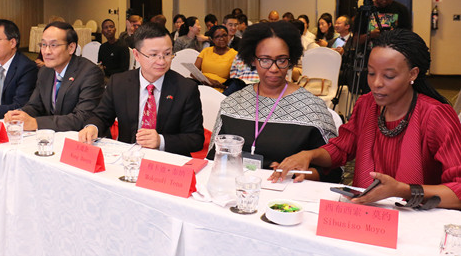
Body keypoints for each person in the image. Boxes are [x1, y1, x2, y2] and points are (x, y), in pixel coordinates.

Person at [272, 29, 461, 209]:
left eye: (389, 76)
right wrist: (309, 155)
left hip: (416, 218)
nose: (376, 83)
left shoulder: (436, 115)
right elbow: (342, 148)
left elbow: (458, 189)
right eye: (371, 73)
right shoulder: (367, 104)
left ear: (413, 74)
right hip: (367, 213)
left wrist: (403, 190)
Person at [208, 21, 340, 182]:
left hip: (288, 193)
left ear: (291, 60)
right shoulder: (232, 104)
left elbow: (335, 170)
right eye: (265, 60)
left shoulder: (312, 108)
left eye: (282, 60)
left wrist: (296, 174)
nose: (274, 68)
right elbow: (213, 159)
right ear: (253, 60)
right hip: (237, 189)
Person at [79, 22, 204, 157]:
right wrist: (92, 127)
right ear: (137, 55)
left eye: (167, 54)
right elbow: (101, 116)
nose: (162, 61)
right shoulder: (119, 83)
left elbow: (196, 139)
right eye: (153, 55)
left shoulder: (186, 89)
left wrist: (161, 140)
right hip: (129, 158)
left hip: (167, 159)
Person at [4, 21, 105, 131]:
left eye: (53, 45)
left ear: (71, 47)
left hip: (80, 137)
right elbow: (35, 106)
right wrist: (19, 114)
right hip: (52, 136)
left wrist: (36, 123)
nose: (46, 51)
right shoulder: (45, 71)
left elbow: (83, 118)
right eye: (43, 45)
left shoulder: (90, 73)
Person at [194, 25, 237, 92]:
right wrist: (208, 80)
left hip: (221, 90)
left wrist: (221, 85)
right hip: (201, 86)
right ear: (212, 39)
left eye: (224, 35)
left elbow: (235, 81)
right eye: (217, 36)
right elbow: (193, 73)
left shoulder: (235, 55)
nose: (222, 38)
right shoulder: (206, 51)